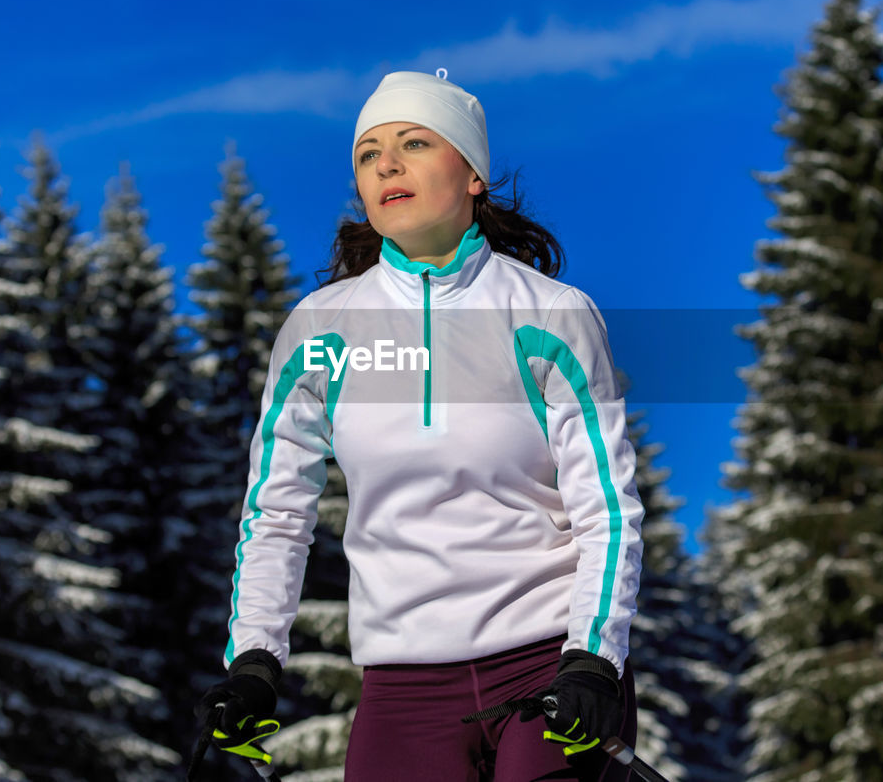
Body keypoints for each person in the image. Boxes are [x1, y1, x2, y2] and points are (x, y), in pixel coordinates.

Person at [196, 69, 646, 781]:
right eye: (369, 153)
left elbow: (608, 509)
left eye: (413, 142)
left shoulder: (550, 314)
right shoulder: (320, 329)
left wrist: (592, 658)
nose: (387, 165)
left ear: (473, 174)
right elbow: (277, 512)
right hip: (403, 685)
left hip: (548, 666)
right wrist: (254, 662)